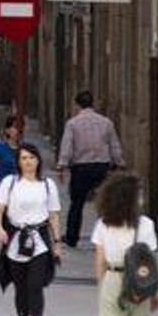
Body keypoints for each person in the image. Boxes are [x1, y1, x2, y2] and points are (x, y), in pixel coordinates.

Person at [92, 171, 158, 316]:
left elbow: (100, 259)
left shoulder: (103, 223)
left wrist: (101, 286)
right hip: (139, 283)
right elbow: (150, 261)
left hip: (113, 277)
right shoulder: (146, 225)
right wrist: (154, 292)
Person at [0, 143, 63, 316]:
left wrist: (57, 242)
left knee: (35, 284)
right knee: (20, 286)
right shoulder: (10, 183)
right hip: (16, 239)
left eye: (32, 157)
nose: (28, 162)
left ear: (38, 160)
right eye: (23, 158)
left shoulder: (47, 185)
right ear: (18, 162)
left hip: (39, 240)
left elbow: (53, 215)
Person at [56, 90, 124, 248]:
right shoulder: (106, 122)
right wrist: (119, 162)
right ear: (93, 103)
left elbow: (67, 146)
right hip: (102, 166)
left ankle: (72, 237)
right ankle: (108, 235)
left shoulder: (72, 124)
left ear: (77, 105)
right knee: (105, 203)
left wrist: (61, 165)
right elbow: (114, 145)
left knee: (77, 203)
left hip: (81, 168)